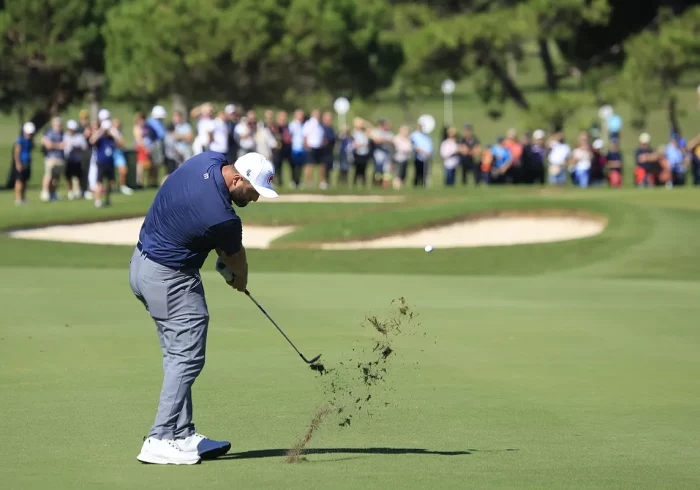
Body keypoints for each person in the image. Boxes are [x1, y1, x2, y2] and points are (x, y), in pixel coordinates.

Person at [130, 151, 278, 465]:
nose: (254, 200)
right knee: (186, 356)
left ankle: (181, 434)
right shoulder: (224, 217)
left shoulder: (207, 159)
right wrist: (239, 279)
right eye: (253, 192)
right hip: (169, 277)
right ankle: (159, 438)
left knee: (176, 354)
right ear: (238, 179)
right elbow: (236, 260)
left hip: (142, 265)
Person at [90, 119, 123, 208]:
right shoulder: (100, 138)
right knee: (99, 182)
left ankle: (107, 199)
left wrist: (114, 134)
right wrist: (100, 131)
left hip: (110, 162)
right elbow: (92, 140)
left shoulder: (111, 138)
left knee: (110, 182)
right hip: (101, 162)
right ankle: (98, 200)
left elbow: (121, 144)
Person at [41, 117, 66, 201]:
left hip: (60, 158)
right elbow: (48, 145)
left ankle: (53, 193)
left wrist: (59, 146)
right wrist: (59, 146)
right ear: (53, 125)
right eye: (57, 125)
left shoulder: (62, 133)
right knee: (49, 175)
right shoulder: (50, 133)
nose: (59, 126)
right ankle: (45, 192)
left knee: (56, 178)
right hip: (51, 158)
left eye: (60, 125)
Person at [63, 119, 88, 200]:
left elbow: (84, 147)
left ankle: (81, 191)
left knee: (80, 176)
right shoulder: (64, 136)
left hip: (78, 160)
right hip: (68, 159)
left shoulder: (79, 136)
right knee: (68, 177)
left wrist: (77, 147)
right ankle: (70, 192)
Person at [302, 109, 326, 189]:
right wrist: (306, 144)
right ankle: (309, 183)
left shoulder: (320, 124)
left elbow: (321, 136)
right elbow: (305, 135)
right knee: (309, 165)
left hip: (319, 147)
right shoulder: (308, 124)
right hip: (311, 147)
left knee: (322, 165)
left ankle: (322, 182)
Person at [13, 122, 36, 205]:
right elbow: (16, 152)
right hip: (21, 163)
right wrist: (18, 163)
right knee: (19, 181)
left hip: (27, 163)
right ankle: (18, 199)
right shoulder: (20, 140)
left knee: (25, 181)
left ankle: (23, 198)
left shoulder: (30, 141)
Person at [133, 111, 155, 189]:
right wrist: (145, 148)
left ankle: (150, 182)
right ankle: (139, 182)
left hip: (148, 148)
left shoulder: (147, 127)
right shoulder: (137, 128)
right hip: (141, 148)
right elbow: (139, 140)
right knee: (140, 165)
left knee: (150, 165)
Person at [112, 119, 133, 195]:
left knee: (123, 170)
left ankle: (122, 186)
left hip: (119, 153)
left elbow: (123, 143)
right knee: (111, 173)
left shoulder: (120, 132)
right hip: (112, 153)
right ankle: (112, 188)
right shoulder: (111, 132)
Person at [370, 119, 393, 188]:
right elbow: (376, 140)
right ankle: (377, 183)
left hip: (387, 154)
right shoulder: (376, 131)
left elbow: (392, 141)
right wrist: (384, 140)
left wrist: (383, 140)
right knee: (378, 170)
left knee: (387, 170)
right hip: (378, 153)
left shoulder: (389, 133)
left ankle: (385, 185)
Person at [410, 122, 433, 187]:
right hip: (419, 157)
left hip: (427, 157)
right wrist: (423, 152)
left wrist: (428, 153)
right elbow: (414, 146)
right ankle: (416, 186)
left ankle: (424, 185)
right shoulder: (414, 135)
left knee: (426, 174)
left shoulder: (426, 135)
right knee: (418, 173)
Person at [271, 111, 291, 186]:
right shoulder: (276, 126)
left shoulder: (287, 126)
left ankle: (290, 182)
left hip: (286, 148)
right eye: (282, 117)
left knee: (288, 165)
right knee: (277, 166)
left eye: (285, 117)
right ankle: (277, 182)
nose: (283, 119)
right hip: (277, 150)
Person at [288, 109, 306, 188]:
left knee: (300, 166)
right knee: (294, 166)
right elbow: (289, 136)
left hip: (302, 148)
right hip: (294, 148)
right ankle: (293, 181)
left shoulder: (305, 124)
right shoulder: (292, 125)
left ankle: (299, 181)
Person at [351, 117, 371, 187]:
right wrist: (362, 144)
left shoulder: (364, 133)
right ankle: (355, 184)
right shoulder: (354, 133)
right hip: (357, 153)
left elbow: (370, 128)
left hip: (364, 153)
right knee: (357, 169)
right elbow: (355, 144)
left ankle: (363, 184)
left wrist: (364, 124)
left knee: (364, 170)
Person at [321, 112, 336, 186]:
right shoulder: (320, 128)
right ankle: (322, 182)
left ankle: (327, 182)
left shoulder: (331, 129)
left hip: (329, 151)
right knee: (323, 166)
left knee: (329, 167)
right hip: (322, 151)